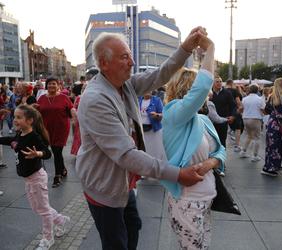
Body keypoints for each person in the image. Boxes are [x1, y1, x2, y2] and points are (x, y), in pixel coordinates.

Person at [75, 27, 208, 250]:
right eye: (124, 57)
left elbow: (160, 75)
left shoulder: (123, 84)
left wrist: (186, 47)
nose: (132, 62)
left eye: (130, 55)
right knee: (116, 242)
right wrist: (177, 175)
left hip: (122, 182)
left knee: (133, 226)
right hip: (104, 186)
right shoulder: (96, 99)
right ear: (104, 63)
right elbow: (126, 154)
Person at [161, 39, 226, 249]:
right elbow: (201, 89)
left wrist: (212, 163)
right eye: (200, 89)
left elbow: (221, 150)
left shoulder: (203, 119)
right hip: (187, 201)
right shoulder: (173, 114)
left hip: (208, 198)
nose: (208, 93)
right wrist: (210, 48)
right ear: (189, 88)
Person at [0, 104, 70, 250]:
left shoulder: (33, 136)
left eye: (19, 117)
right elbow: (10, 140)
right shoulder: (20, 134)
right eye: (15, 117)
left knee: (43, 210)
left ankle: (47, 238)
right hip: (29, 180)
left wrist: (37, 154)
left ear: (30, 120)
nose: (15, 120)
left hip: (37, 178)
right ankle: (61, 220)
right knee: (38, 208)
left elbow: (47, 152)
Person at [36, 76, 74, 187]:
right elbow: (37, 113)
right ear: (46, 86)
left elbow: (71, 110)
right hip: (46, 129)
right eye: (49, 84)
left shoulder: (64, 97)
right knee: (56, 151)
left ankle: (57, 176)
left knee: (57, 151)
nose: (51, 85)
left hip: (61, 128)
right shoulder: (42, 98)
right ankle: (63, 169)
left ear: (58, 86)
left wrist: (75, 117)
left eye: (54, 83)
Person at [262, 78, 282, 176]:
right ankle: (270, 168)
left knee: (272, 146)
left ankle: (271, 165)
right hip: (279, 125)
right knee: (277, 146)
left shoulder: (272, 96)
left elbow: (266, 110)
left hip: (272, 123)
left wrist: (274, 114)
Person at [239, 83, 265, 162]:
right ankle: (255, 155)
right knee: (257, 137)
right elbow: (263, 108)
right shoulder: (260, 99)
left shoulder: (245, 99)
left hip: (246, 118)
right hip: (255, 118)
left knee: (249, 136)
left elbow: (241, 108)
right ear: (257, 90)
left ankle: (243, 151)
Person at [138, 92, 166, 160]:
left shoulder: (157, 100)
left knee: (155, 151)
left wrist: (157, 115)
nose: (148, 91)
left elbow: (163, 115)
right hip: (141, 130)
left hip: (154, 131)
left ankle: (156, 166)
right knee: (143, 150)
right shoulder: (138, 100)